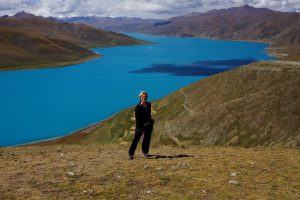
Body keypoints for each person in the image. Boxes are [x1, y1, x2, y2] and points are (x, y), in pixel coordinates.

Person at [128, 91, 154, 160]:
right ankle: (131, 153)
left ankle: (145, 152)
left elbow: (149, 115)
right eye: (142, 97)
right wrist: (142, 128)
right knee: (135, 140)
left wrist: (151, 122)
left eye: (145, 96)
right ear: (140, 98)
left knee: (147, 139)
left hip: (148, 125)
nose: (144, 98)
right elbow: (138, 119)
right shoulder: (137, 107)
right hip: (140, 126)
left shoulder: (149, 104)